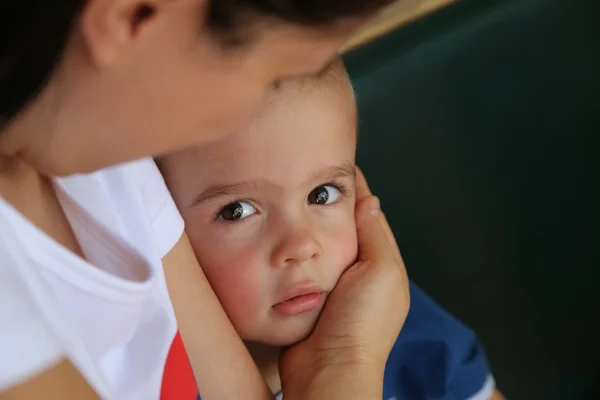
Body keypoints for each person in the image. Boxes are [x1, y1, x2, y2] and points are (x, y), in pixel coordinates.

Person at [0, 1, 410, 399]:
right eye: (275, 74)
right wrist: (345, 366)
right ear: (132, 16)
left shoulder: (112, 165)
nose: (266, 107)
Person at [159, 59, 506, 400]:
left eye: (321, 194)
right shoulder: (154, 380)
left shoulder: (389, 316)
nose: (302, 245)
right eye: (237, 211)